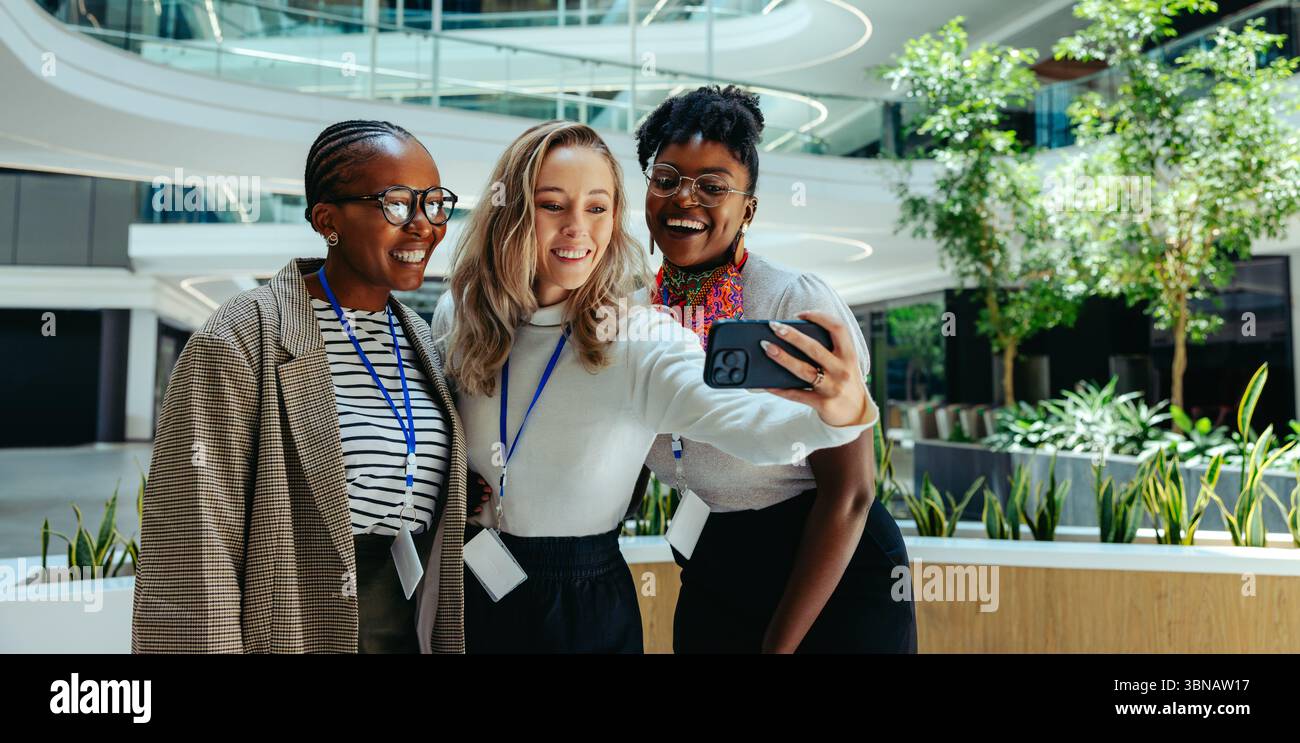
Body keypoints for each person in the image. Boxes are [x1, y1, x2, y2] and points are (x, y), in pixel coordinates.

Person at [433, 119, 878, 653]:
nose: (577, 228)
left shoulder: (638, 332)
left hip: (586, 597)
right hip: (471, 574)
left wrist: (837, 412)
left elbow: (748, 426)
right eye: (552, 204)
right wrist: (451, 483)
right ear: (511, 211)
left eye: (597, 208)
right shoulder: (457, 315)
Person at [132, 120, 468, 653]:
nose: (424, 225)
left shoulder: (422, 340)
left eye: (433, 204)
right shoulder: (241, 337)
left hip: (409, 630)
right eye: (397, 204)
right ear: (327, 220)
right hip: (297, 628)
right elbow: (194, 545)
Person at [635, 85, 917, 653]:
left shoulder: (792, 301)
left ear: (749, 209)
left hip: (831, 571)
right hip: (714, 560)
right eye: (667, 179)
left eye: (713, 186)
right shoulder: (631, 312)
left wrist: (779, 645)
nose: (685, 198)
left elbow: (852, 492)